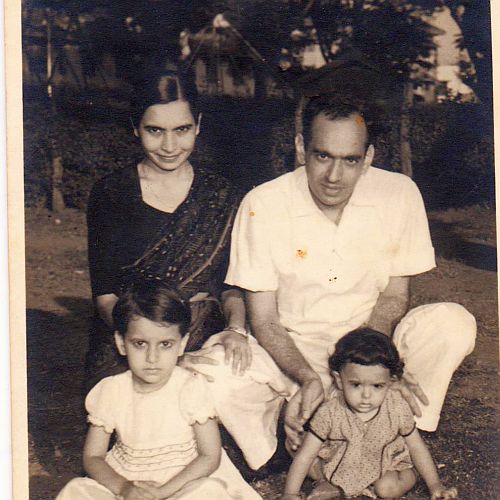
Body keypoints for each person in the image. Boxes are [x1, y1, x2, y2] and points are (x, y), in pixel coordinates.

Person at [186, 94, 476, 470]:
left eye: (350, 160)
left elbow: (393, 297)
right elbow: (265, 320)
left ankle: (394, 428)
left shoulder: (399, 193)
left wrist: (367, 367)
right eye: (322, 156)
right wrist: (309, 379)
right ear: (301, 147)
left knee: (453, 323)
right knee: (206, 376)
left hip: (371, 339)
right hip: (291, 350)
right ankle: (285, 439)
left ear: (369, 156)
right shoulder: (263, 202)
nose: (334, 177)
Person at [85, 67, 251, 391]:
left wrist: (235, 329)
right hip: (133, 344)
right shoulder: (111, 193)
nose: (170, 145)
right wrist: (160, 348)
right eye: (155, 131)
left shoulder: (221, 195)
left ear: (199, 125)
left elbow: (231, 286)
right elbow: (105, 297)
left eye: (182, 129)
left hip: (202, 337)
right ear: (136, 128)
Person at [56, 282, 261, 500]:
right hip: (127, 481)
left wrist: (163, 492)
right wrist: (124, 488)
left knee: (209, 492)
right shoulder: (112, 389)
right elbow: (93, 456)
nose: (152, 358)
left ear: (182, 345)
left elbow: (209, 456)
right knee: (76, 490)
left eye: (165, 344)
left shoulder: (190, 387)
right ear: (121, 343)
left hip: (182, 481)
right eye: (140, 344)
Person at [282, 328, 458, 500]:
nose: (366, 396)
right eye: (356, 385)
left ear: (390, 382)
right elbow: (307, 454)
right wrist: (290, 494)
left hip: (384, 461)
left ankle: (408, 475)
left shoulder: (396, 408)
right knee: (306, 459)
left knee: (387, 488)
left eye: (377, 386)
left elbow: (416, 447)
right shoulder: (330, 412)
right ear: (339, 381)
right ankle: (336, 482)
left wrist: (435, 485)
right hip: (340, 458)